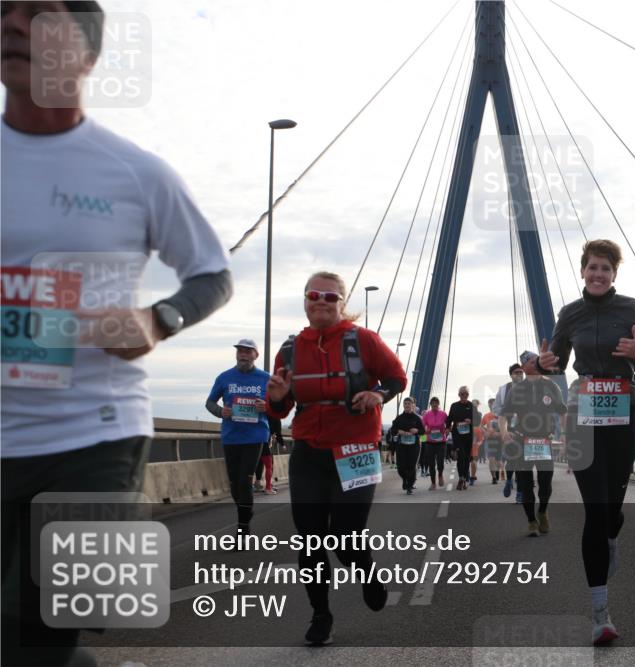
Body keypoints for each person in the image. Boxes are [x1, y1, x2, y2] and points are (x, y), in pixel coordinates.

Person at [1, 3, 232, 665]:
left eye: (39, 15)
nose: (12, 25)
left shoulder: (134, 172)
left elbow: (212, 274)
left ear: (88, 54)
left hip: (97, 432)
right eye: (4, 11)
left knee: (39, 627)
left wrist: (158, 319)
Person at [535, 239, 635, 645]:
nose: (598, 275)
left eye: (606, 269)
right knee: (596, 512)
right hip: (582, 418)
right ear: (583, 271)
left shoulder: (633, 310)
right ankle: (600, 614)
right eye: (593, 267)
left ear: (614, 275)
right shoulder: (570, 313)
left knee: (611, 512)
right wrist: (543, 363)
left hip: (622, 416)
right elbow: (554, 359)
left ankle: (611, 535)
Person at [265, 271, 406, 645]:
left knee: (346, 538)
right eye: (314, 294)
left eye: (330, 296)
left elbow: (396, 378)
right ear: (305, 300)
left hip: (356, 450)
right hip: (309, 452)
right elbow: (279, 410)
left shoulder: (363, 340)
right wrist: (278, 397)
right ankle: (320, 615)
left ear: (342, 304)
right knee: (310, 541)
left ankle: (365, 571)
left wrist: (378, 396)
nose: (321, 301)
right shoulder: (291, 350)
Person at [206, 339, 272, 529]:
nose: (243, 354)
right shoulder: (224, 377)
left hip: (255, 436)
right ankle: (245, 510)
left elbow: (279, 406)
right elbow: (210, 403)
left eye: (247, 351)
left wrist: (266, 407)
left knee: (245, 480)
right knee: (235, 483)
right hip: (231, 436)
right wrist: (221, 412)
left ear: (256, 355)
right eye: (240, 351)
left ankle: (243, 527)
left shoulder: (266, 378)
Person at [500, 351, 567, 536]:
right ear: (525, 367)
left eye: (537, 360)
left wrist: (565, 436)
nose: (536, 363)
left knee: (545, 483)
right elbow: (504, 416)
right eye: (531, 361)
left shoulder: (551, 385)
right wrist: (504, 432)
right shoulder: (517, 389)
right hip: (522, 440)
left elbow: (562, 412)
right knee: (525, 483)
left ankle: (543, 511)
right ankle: (531, 522)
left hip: (544, 441)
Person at [495, 363, 526, 498]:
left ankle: (519, 491)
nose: (519, 374)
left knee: (521, 460)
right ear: (511, 375)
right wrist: (504, 426)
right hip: (508, 428)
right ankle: (509, 480)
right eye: (516, 372)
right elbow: (496, 408)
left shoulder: (529, 388)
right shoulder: (503, 389)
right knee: (512, 458)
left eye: (521, 372)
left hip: (525, 428)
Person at [390, 397, 425, 495]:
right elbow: (392, 431)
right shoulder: (399, 418)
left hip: (414, 446)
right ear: (403, 405)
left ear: (413, 405)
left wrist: (417, 431)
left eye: (409, 403)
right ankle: (405, 479)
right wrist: (398, 431)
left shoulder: (417, 418)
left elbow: (423, 432)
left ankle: (410, 486)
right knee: (401, 467)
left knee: (411, 466)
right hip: (401, 446)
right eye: (405, 403)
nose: (407, 405)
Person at [447, 386, 475, 490]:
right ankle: (461, 478)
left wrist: (471, 420)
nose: (464, 396)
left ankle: (464, 478)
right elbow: (449, 419)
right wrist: (447, 427)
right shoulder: (454, 406)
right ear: (459, 395)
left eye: (466, 394)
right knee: (461, 457)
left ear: (468, 395)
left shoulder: (471, 406)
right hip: (457, 435)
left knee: (467, 458)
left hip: (468, 436)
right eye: (462, 394)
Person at [423, 397, 447, 489]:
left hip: (441, 442)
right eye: (433, 403)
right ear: (430, 404)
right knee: (431, 464)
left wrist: (447, 430)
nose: (434, 404)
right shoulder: (426, 414)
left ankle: (440, 475)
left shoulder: (443, 414)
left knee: (440, 462)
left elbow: (448, 424)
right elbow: (422, 426)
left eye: (436, 403)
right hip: (430, 442)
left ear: (438, 404)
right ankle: (433, 483)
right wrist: (424, 435)